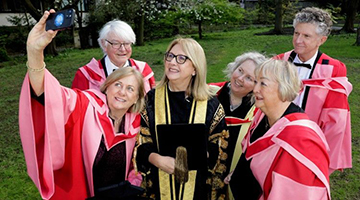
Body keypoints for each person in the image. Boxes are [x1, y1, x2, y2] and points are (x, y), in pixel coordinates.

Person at [19, 10, 146, 199]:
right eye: (117, 85)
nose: (122, 92)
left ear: (137, 98)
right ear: (106, 88)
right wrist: (35, 52)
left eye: (130, 89)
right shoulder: (86, 105)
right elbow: (49, 93)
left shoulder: (135, 123)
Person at [134, 37, 229, 200]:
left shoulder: (210, 103)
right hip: (158, 185)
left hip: (198, 187)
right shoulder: (150, 100)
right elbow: (140, 141)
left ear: (195, 68)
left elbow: (220, 144)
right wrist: (156, 159)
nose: (172, 62)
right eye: (169, 56)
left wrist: (201, 155)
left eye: (181, 58)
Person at [231, 59, 330, 200]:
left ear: (283, 87)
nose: (255, 89)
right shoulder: (262, 117)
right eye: (256, 82)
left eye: (263, 84)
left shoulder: (301, 141)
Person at [274, 7, 352, 173]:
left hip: (309, 145)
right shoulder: (278, 62)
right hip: (274, 139)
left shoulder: (333, 69)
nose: (298, 40)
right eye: (296, 33)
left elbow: (336, 121)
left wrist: (324, 161)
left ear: (321, 40)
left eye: (306, 36)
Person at [209, 52, 267, 199]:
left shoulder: (259, 112)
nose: (240, 79)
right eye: (240, 70)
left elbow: (260, 152)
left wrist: (241, 171)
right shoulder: (209, 95)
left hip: (236, 180)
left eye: (249, 78)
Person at [71, 19, 155, 92]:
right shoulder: (86, 75)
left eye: (126, 43)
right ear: (104, 44)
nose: (122, 49)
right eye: (116, 43)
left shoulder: (143, 70)